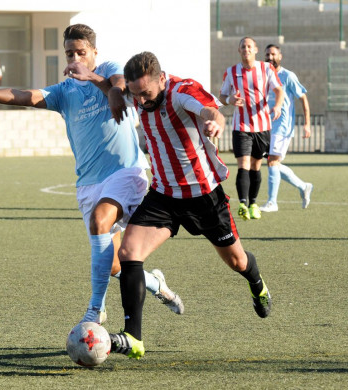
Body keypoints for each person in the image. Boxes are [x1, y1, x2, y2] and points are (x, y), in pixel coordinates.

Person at [0, 24, 184, 325]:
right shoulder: (64, 92)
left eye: (81, 52)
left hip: (125, 172)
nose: (75, 58)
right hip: (88, 184)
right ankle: (158, 285)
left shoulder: (108, 69)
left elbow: (118, 84)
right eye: (69, 53)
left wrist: (105, 86)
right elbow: (24, 95)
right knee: (115, 264)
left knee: (100, 220)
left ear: (93, 52)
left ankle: (96, 310)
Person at [107, 52, 272, 360]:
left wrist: (213, 123)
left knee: (237, 262)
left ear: (161, 78)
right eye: (135, 94)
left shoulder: (181, 91)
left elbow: (210, 110)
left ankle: (257, 283)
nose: (141, 101)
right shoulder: (135, 95)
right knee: (128, 253)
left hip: (204, 197)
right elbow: (112, 83)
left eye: (146, 93)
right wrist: (116, 90)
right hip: (163, 196)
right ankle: (133, 337)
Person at [219, 37, 284, 221]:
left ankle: (253, 203)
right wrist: (230, 100)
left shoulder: (266, 69)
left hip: (263, 126)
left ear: (255, 50)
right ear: (239, 51)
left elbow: (279, 90)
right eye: (243, 47)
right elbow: (222, 96)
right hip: (241, 126)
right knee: (243, 165)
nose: (246, 49)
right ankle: (242, 203)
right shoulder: (231, 72)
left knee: (256, 167)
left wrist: (277, 106)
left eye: (249, 46)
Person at [260, 44, 313, 212]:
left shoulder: (288, 76)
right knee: (272, 163)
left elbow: (303, 98)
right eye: (267, 54)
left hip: (282, 126)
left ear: (280, 56)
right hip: (265, 126)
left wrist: (307, 124)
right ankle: (303, 186)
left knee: (273, 161)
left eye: (273, 54)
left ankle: (272, 202)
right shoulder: (263, 76)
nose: (270, 57)